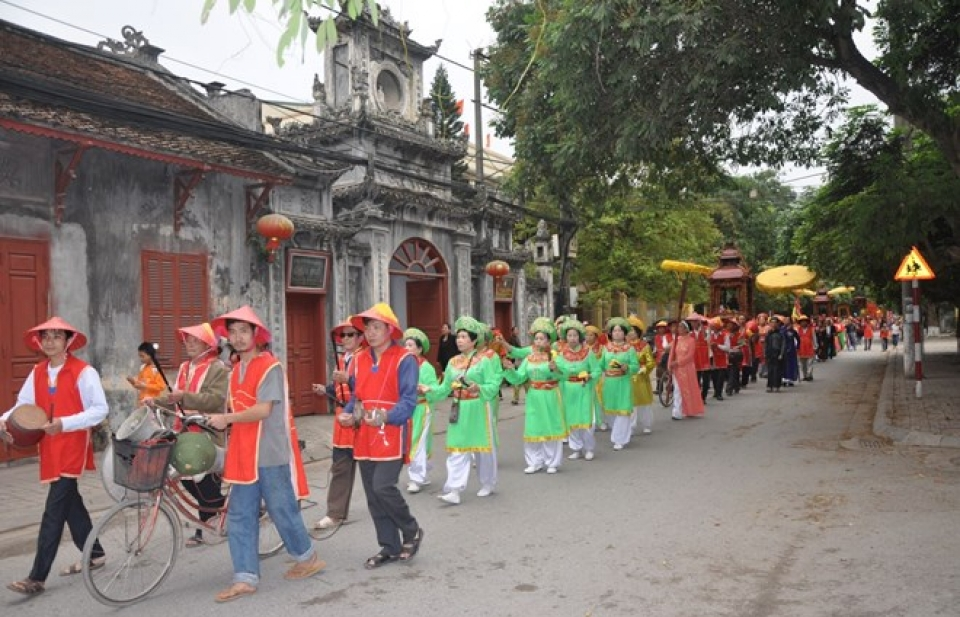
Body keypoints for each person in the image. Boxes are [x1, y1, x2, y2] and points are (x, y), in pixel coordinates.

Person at [207, 306, 323, 602]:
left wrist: (227, 420)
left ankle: (306, 557)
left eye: (244, 331)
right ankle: (245, 576)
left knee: (281, 509)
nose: (238, 337)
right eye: (232, 332)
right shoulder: (234, 371)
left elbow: (263, 410)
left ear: (256, 335)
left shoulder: (269, 366)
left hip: (269, 451)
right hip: (243, 453)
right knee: (240, 514)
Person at [2, 317, 108, 596]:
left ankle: (36, 577)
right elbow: (23, 406)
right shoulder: (37, 371)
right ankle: (95, 553)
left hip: (71, 443)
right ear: (39, 342)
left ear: (68, 341)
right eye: (45, 336)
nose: (50, 341)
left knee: (53, 511)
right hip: (49, 446)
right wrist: (4, 422)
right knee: (70, 504)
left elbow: (99, 410)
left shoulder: (85, 372)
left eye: (56, 336)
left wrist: (64, 423)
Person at [340, 303, 423, 568]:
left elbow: (409, 401)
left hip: (392, 431)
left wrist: (387, 416)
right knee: (373, 495)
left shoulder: (404, 359)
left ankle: (411, 529)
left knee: (383, 486)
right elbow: (357, 396)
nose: (371, 333)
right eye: (368, 328)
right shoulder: (361, 359)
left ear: (390, 330)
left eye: (377, 327)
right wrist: (349, 412)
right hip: (365, 433)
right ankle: (389, 546)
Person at [145, 323, 228, 547]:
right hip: (183, 430)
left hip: (207, 431)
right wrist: (156, 401)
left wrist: (184, 397)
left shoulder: (218, 368)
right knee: (188, 479)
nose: (189, 344)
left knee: (205, 482)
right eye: (187, 340)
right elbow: (173, 396)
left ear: (207, 344)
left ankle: (209, 523)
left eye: (195, 341)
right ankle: (215, 514)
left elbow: (215, 399)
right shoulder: (184, 368)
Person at [430, 315, 502, 504]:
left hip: (478, 407)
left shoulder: (483, 361)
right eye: (458, 336)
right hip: (459, 408)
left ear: (473, 340)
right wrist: (427, 390)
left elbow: (494, 383)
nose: (460, 340)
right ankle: (454, 490)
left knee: (483, 449)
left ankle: (488, 483)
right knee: (458, 449)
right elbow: (444, 388)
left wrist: (480, 388)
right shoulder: (452, 362)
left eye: (464, 337)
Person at [312, 319, 364, 530]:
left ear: (361, 337)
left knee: (372, 470)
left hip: (362, 416)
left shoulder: (366, 359)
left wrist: (349, 380)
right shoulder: (343, 360)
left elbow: (368, 388)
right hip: (342, 418)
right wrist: (325, 389)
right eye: (343, 335)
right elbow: (339, 389)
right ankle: (335, 513)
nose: (345, 339)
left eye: (351, 334)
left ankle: (384, 507)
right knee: (341, 466)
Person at [503, 318, 567, 473]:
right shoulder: (529, 358)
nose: (538, 342)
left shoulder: (555, 356)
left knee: (550, 426)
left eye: (542, 338)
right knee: (533, 427)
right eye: (536, 338)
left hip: (550, 395)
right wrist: (510, 369)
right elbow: (519, 378)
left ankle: (552, 462)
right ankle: (534, 461)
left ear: (548, 341)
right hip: (533, 396)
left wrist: (555, 369)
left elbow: (564, 375)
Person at [403, 327, 442, 493]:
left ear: (419, 349)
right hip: (407, 409)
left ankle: (416, 478)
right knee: (410, 442)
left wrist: (424, 389)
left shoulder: (426, 368)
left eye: (411, 345)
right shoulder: (403, 365)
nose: (407, 348)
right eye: (405, 345)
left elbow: (434, 388)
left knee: (416, 442)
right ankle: (422, 473)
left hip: (421, 408)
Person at [554, 319, 599, 461]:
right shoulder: (561, 354)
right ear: (565, 337)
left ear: (579, 336)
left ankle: (589, 448)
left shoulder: (588, 353)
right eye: (569, 336)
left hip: (584, 388)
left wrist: (590, 376)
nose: (572, 338)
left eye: (575, 335)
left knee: (586, 419)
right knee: (571, 420)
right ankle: (576, 448)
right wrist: (555, 370)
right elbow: (559, 372)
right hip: (568, 389)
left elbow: (597, 370)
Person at [599, 317, 639, 450]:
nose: (617, 333)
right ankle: (621, 433)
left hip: (623, 382)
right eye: (614, 331)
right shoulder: (605, 349)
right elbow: (600, 365)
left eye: (619, 331)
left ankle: (620, 439)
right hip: (609, 383)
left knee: (623, 410)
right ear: (611, 333)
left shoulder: (630, 349)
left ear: (624, 333)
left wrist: (627, 367)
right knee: (611, 411)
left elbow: (635, 366)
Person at [667, 320, 705, 420]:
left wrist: (678, 362)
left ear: (686, 329)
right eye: (678, 327)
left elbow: (690, 356)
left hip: (687, 368)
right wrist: (670, 365)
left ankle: (688, 409)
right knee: (677, 390)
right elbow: (671, 353)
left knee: (686, 390)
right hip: (677, 369)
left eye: (680, 327)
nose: (678, 329)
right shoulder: (676, 340)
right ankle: (677, 412)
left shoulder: (691, 340)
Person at [626, 316, 657, 435]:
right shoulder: (624, 346)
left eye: (632, 330)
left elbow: (651, 362)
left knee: (644, 403)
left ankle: (647, 424)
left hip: (641, 377)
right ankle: (631, 425)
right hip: (628, 377)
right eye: (628, 330)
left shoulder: (645, 346)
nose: (630, 333)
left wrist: (644, 370)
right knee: (630, 403)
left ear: (638, 332)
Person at [765, 316, 786, 393]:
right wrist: (765, 353)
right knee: (770, 370)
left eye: (775, 322)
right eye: (772, 322)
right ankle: (769, 385)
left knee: (777, 370)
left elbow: (783, 344)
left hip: (777, 353)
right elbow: (766, 344)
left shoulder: (780, 333)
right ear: (770, 324)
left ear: (777, 324)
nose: (773, 324)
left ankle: (777, 386)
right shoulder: (768, 334)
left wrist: (781, 354)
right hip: (770, 353)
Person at [795, 316, 818, 382]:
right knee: (802, 364)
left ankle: (809, 375)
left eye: (804, 321)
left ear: (807, 322)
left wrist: (815, 347)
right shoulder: (798, 329)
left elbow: (814, 338)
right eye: (802, 321)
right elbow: (796, 339)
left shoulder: (811, 329)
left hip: (809, 348)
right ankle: (805, 375)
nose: (803, 322)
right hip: (801, 348)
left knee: (809, 363)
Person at [507, 326, 523, 405]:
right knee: (517, 380)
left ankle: (516, 398)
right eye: (516, 330)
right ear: (512, 331)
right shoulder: (512, 339)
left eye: (517, 329)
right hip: (515, 361)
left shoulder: (516, 338)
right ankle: (515, 398)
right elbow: (511, 351)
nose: (517, 331)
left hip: (519, 360)